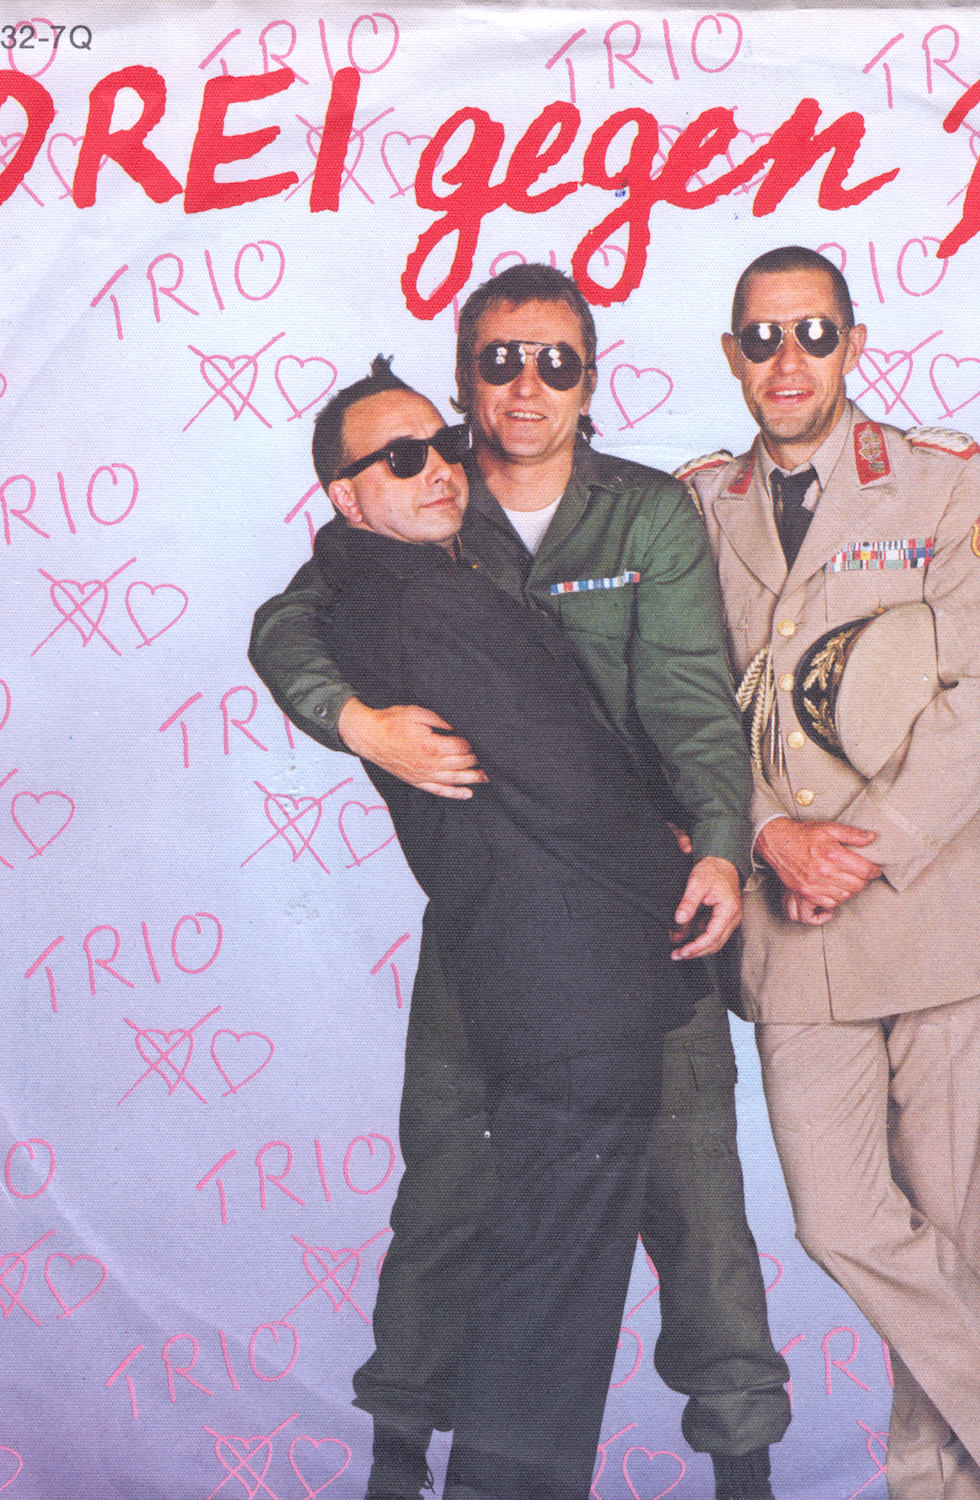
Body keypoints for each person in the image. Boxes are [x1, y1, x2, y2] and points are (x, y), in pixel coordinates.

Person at [249, 265, 789, 1500]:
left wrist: (716, 846)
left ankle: (743, 1468)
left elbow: (692, 702)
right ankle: (401, 1462)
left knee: (697, 1196)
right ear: (463, 381)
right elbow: (286, 622)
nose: (528, 386)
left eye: (557, 362)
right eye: (500, 362)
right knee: (450, 1188)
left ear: (591, 382)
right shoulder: (425, 505)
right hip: (492, 922)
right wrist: (358, 723)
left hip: (641, 908)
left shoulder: (644, 513)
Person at [680, 246, 980, 1500]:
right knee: (840, 1217)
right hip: (788, 917)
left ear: (855, 344)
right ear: (731, 355)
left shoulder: (942, 478)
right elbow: (683, 708)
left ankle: (945, 1488)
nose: (788, 361)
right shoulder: (696, 505)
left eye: (813, 334)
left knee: (958, 1226)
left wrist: (860, 848)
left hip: (937, 898)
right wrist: (768, 832)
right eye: (762, 337)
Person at [305, 357, 707, 1500]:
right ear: (346, 495)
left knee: (541, 1283)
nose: (438, 467)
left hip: (535, 978)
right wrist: (683, 884)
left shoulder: (381, 581)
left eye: (440, 444)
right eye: (400, 459)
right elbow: (564, 777)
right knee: (553, 1303)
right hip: (573, 984)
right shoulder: (424, 600)